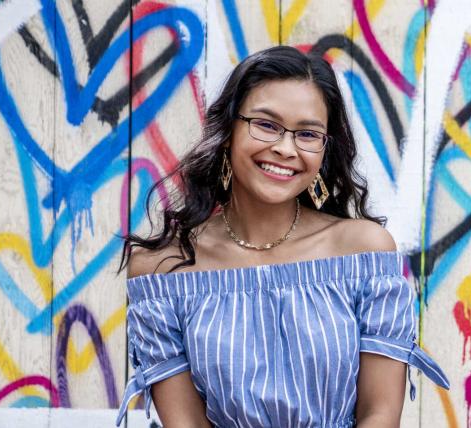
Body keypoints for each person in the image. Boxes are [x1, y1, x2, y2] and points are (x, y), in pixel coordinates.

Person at [115, 46, 449, 427]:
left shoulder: (364, 254)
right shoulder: (164, 272)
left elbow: (380, 414)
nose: (285, 148)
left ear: (325, 150)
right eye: (266, 125)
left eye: (308, 134)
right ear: (227, 130)